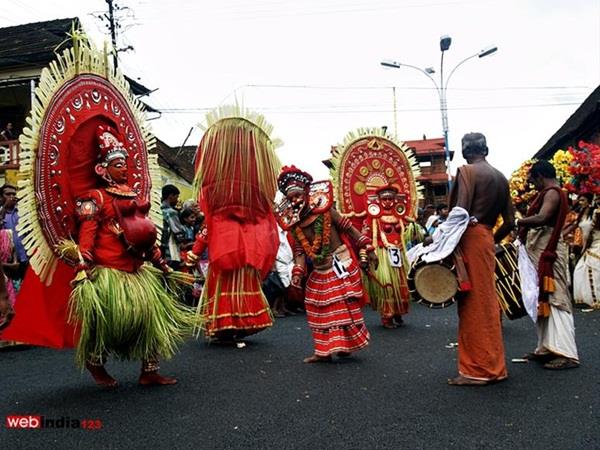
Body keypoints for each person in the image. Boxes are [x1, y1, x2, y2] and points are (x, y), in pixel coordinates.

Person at [186, 106, 281, 343]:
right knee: (242, 283)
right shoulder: (256, 208)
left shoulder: (218, 206)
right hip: (245, 255)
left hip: (225, 253)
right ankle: (241, 323)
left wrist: (193, 254)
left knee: (224, 287)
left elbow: (207, 230)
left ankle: (227, 326)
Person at [276, 166, 377, 363]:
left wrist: (368, 247)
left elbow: (349, 229)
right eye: (291, 198)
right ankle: (323, 351)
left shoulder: (326, 209)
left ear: (306, 194)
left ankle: (344, 346)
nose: (295, 201)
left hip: (340, 263)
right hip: (319, 269)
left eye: (298, 195)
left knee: (341, 306)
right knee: (317, 307)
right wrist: (297, 272)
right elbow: (299, 252)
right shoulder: (294, 223)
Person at [446, 132, 514, 386]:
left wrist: (439, 242)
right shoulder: (500, 178)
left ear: (465, 152)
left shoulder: (466, 172)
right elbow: (510, 222)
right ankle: (493, 365)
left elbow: (460, 213)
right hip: (485, 238)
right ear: (487, 149)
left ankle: (478, 370)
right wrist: (491, 238)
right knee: (487, 301)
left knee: (473, 303)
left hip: (470, 238)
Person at [517, 160, 580, 369]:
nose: (532, 185)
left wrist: (519, 221)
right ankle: (546, 347)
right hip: (543, 252)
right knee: (543, 297)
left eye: (532, 180)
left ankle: (567, 353)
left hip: (549, 254)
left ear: (540, 176)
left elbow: (543, 217)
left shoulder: (552, 192)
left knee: (556, 298)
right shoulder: (551, 192)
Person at [362, 184, 410, 328]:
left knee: (401, 284)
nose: (388, 202)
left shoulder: (400, 217)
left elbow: (408, 233)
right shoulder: (373, 218)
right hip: (383, 254)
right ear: (379, 201)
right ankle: (387, 316)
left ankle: (398, 313)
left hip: (399, 253)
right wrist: (365, 257)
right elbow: (365, 237)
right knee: (387, 285)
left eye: (391, 199)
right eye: (385, 199)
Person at [572, 200, 600, 308]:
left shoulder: (597, 213)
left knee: (589, 270)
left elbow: (593, 232)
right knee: (581, 270)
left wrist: (585, 247)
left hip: (595, 245)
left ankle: (595, 298)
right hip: (592, 244)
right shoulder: (591, 212)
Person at [0, 184, 28, 284]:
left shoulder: (21, 212)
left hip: (25, 259)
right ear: (1, 197)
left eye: (13, 194)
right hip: (9, 264)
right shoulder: (1, 214)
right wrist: (4, 208)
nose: (11, 196)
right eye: (8, 194)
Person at [161, 184, 186, 271]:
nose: (177, 199)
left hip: (161, 252)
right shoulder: (171, 212)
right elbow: (178, 233)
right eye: (176, 196)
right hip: (171, 252)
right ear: (170, 196)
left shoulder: (159, 210)